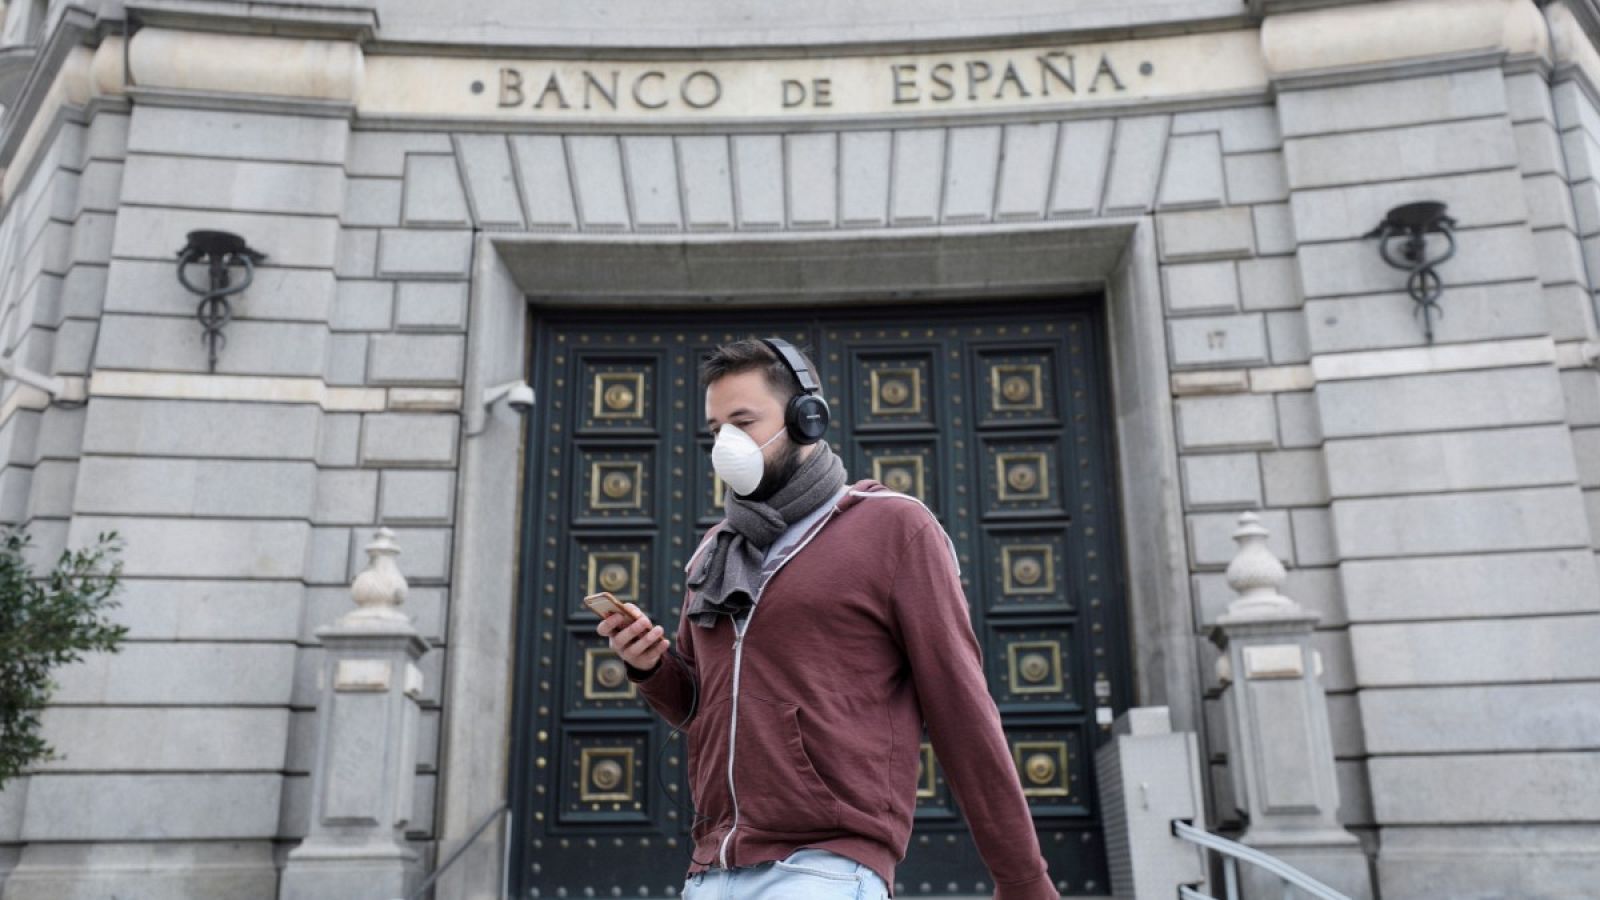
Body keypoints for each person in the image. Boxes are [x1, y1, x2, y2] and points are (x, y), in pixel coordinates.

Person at [597, 337, 1057, 900]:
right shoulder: (716, 550)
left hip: (826, 867)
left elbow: (962, 707)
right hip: (711, 868)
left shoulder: (895, 528)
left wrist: (1023, 880)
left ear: (806, 419)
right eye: (716, 430)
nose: (726, 445)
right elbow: (702, 709)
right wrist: (651, 667)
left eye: (743, 421)